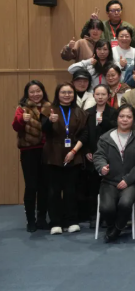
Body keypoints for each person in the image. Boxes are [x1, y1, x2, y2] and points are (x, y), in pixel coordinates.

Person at [93, 104, 135, 242]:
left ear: (133, 120)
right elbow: (98, 156)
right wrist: (101, 167)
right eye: (122, 116)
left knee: (125, 203)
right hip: (109, 181)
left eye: (128, 117)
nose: (125, 119)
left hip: (132, 182)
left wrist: (128, 180)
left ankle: (116, 230)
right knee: (106, 208)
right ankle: (112, 226)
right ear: (117, 118)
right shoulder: (106, 138)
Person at [42, 82, 88, 235]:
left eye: (69, 92)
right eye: (63, 92)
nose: (67, 95)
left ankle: (72, 221)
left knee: (71, 190)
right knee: (54, 190)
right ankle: (55, 222)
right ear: (57, 94)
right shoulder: (49, 110)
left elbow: (84, 135)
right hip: (53, 154)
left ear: (73, 94)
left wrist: (74, 151)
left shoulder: (80, 112)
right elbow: (44, 130)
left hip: (73, 153)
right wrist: (50, 121)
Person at [12, 81, 51, 232]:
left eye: (38, 91)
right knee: (31, 186)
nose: (36, 94)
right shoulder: (22, 108)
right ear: (27, 94)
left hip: (46, 151)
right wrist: (22, 119)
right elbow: (15, 127)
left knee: (44, 186)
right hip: (29, 151)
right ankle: (30, 221)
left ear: (43, 91)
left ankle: (42, 218)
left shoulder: (49, 107)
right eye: (32, 92)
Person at [82, 85, 118, 227]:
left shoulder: (114, 112)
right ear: (94, 96)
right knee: (93, 188)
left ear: (108, 96)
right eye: (98, 94)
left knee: (108, 187)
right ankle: (93, 216)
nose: (100, 97)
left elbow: (116, 131)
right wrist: (86, 151)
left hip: (109, 155)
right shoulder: (87, 113)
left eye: (103, 94)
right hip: (92, 154)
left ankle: (107, 216)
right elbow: (84, 134)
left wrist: (104, 122)